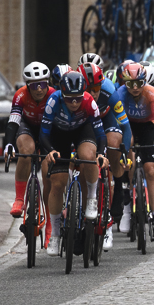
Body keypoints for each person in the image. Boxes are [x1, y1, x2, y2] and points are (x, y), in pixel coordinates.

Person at [39, 70, 108, 256]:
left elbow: (100, 134)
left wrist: (101, 154)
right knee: (57, 183)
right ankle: (55, 234)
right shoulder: (53, 101)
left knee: (88, 155)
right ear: (62, 94)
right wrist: (50, 150)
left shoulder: (89, 102)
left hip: (82, 131)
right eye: (70, 99)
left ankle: (91, 198)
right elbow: (43, 133)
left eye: (78, 98)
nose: (75, 103)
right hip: (58, 135)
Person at [78, 61, 131, 249]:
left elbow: (125, 126)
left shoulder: (109, 91)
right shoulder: (74, 94)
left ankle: (118, 187)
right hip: (85, 123)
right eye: (89, 89)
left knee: (114, 143)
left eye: (96, 88)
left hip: (106, 120)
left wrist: (124, 153)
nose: (93, 93)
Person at [120, 63, 154, 241]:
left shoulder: (151, 92)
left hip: (148, 127)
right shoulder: (120, 94)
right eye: (130, 84)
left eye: (139, 83)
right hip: (128, 126)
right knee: (129, 151)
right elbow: (119, 123)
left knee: (151, 171)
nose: (135, 88)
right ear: (125, 83)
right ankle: (126, 208)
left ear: (144, 82)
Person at [2, 61, 55, 220]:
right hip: (27, 126)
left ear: (47, 83)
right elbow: (13, 122)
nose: (39, 89)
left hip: (47, 129)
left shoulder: (54, 95)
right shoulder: (20, 95)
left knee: (48, 168)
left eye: (42, 84)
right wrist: (8, 144)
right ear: (27, 86)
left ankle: (50, 219)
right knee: (26, 151)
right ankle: (19, 200)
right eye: (34, 85)